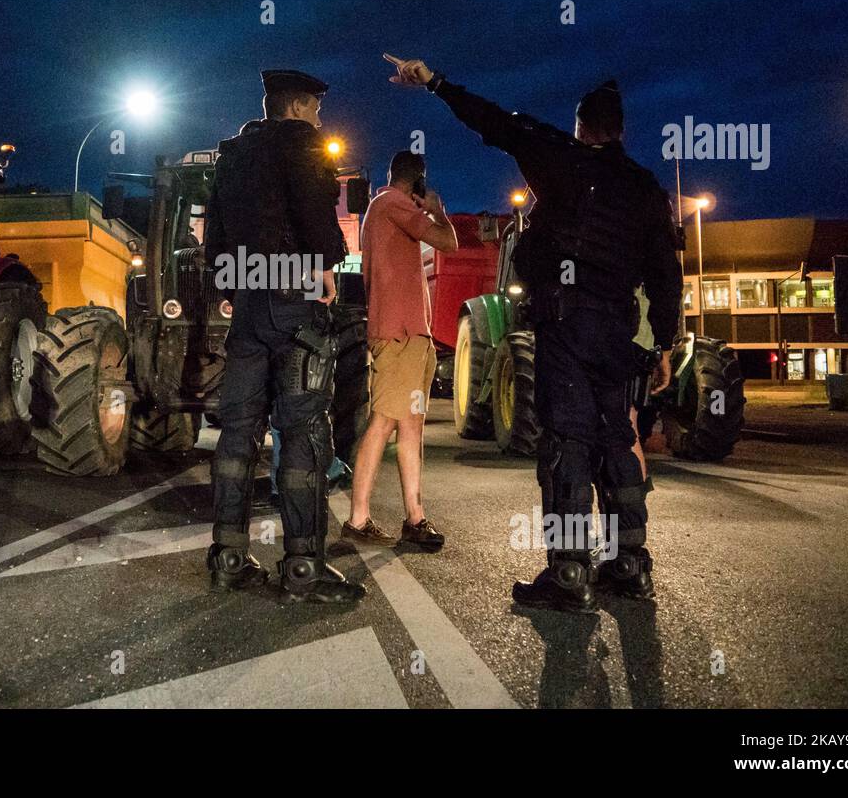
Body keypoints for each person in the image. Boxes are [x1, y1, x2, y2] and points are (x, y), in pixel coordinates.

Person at [385, 53, 682, 612]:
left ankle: (570, 572)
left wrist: (436, 83)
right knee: (617, 438)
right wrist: (664, 344)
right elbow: (668, 275)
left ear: (580, 126)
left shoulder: (557, 158)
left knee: (568, 439)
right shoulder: (645, 188)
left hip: (566, 324)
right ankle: (631, 566)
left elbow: (494, 122)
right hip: (619, 332)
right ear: (620, 130)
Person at [204, 69, 365, 604]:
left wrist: (229, 283)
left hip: (247, 298)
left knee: (238, 432)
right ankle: (302, 566)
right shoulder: (304, 144)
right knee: (302, 431)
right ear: (297, 108)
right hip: (293, 294)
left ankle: (227, 557)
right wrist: (323, 267)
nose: (318, 118)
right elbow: (316, 214)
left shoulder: (233, 154)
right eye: (315, 109)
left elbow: (218, 228)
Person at [344, 151, 457, 551]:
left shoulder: (383, 207)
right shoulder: (391, 202)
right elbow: (449, 242)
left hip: (409, 336)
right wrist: (438, 211)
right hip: (401, 335)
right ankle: (358, 519)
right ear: (417, 181)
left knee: (408, 426)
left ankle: (415, 516)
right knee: (384, 422)